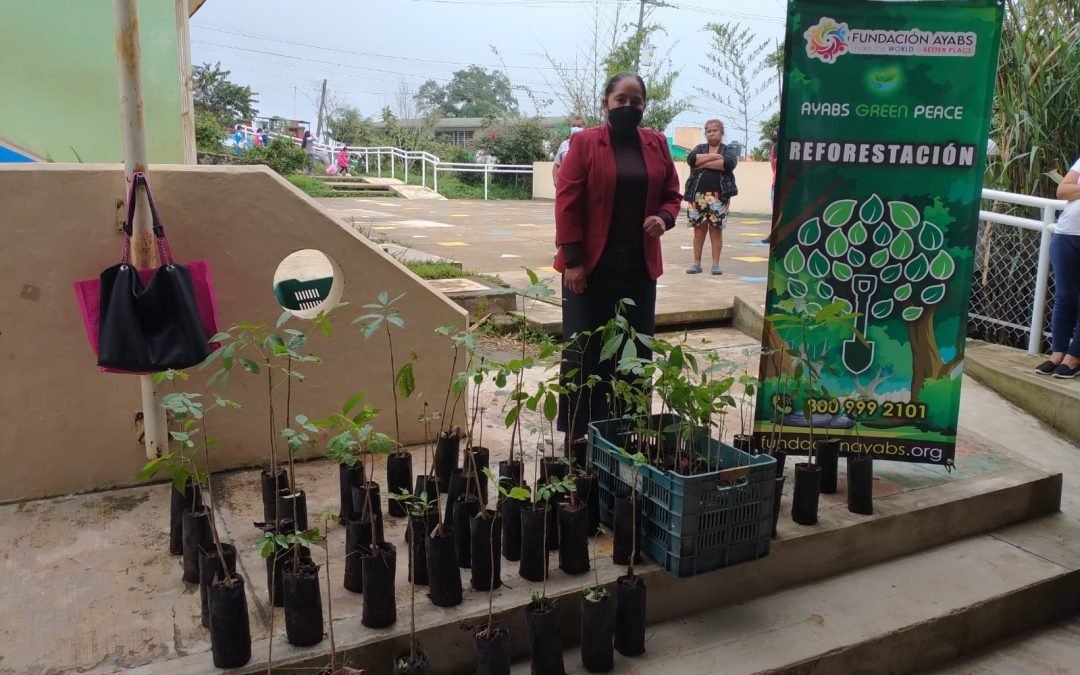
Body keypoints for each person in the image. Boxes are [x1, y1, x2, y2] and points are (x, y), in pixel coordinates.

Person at [554, 72, 682, 442]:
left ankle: (627, 431)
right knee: (584, 351)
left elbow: (672, 195)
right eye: (621, 100)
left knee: (635, 351)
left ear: (644, 105)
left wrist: (664, 217)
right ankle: (578, 435)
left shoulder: (657, 144)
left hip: (638, 270)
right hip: (589, 269)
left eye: (636, 101)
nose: (628, 106)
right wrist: (573, 260)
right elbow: (567, 203)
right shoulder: (585, 144)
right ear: (605, 103)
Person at [1037, 157, 1080, 378]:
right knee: (1064, 297)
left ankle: (1074, 358)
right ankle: (1058, 353)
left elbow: (1072, 190)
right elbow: (1063, 191)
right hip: (1066, 235)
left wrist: (1077, 189)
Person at [684, 119, 738, 275]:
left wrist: (704, 161)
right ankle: (696, 264)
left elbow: (728, 164)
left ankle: (715, 265)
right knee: (698, 230)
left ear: (721, 132)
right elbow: (692, 160)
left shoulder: (728, 150)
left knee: (716, 230)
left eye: (715, 130)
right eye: (709, 131)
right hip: (697, 197)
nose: (712, 133)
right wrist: (716, 158)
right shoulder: (699, 148)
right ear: (705, 133)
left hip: (719, 197)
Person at [552, 115, 587, 188]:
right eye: (574, 126)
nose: (576, 128)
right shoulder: (564, 144)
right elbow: (556, 166)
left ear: (585, 128)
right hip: (565, 186)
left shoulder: (589, 145)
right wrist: (556, 182)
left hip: (583, 186)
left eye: (579, 126)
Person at [762, 126, 779, 244]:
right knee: (776, 211)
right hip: (776, 183)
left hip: (780, 182)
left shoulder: (776, 147)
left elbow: (773, 165)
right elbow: (773, 166)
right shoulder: (774, 147)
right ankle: (774, 234)